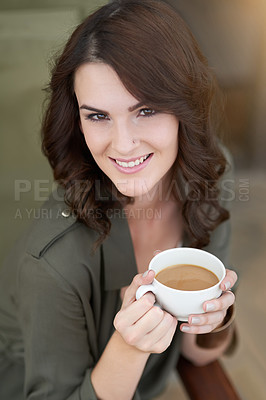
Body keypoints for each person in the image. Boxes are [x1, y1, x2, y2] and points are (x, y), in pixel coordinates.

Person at [0, 1, 238, 399]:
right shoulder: (53, 263)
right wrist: (128, 346)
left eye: (146, 109)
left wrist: (218, 318)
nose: (123, 144)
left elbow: (199, 354)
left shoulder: (211, 178)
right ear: (76, 119)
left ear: (186, 107)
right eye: (97, 116)